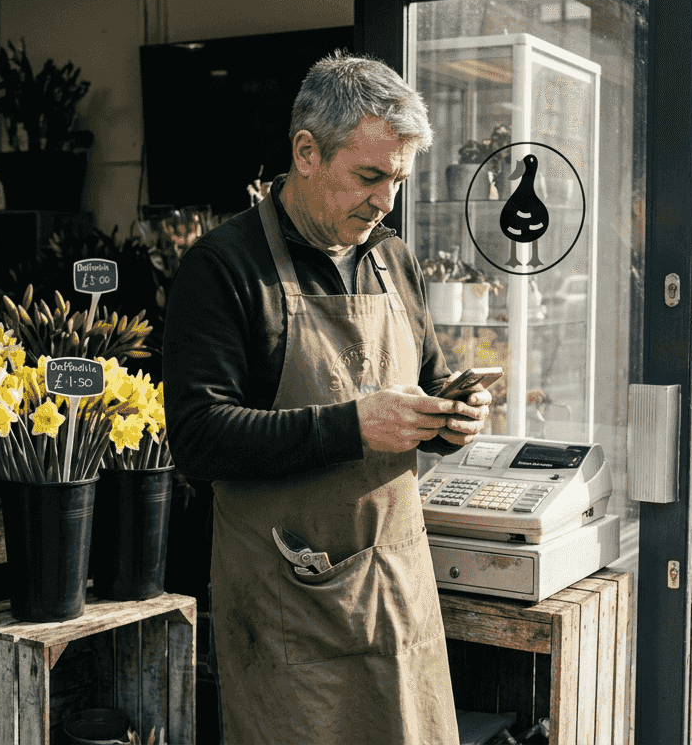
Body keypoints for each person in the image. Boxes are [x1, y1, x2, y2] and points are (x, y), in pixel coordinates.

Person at [164, 52, 491, 744]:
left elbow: (426, 387)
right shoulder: (223, 268)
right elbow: (198, 435)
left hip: (397, 587)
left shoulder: (393, 257)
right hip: (288, 610)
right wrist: (354, 426)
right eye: (368, 177)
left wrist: (450, 419)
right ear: (305, 153)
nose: (385, 202)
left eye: (398, 180)